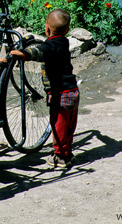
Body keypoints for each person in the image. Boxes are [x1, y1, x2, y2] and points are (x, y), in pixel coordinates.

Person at [7, 9, 80, 168]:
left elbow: (41, 51)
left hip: (59, 93)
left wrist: (24, 54)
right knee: (68, 125)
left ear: (47, 28)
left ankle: (60, 157)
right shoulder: (64, 41)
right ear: (67, 30)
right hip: (73, 91)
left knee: (58, 125)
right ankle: (67, 152)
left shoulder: (51, 45)